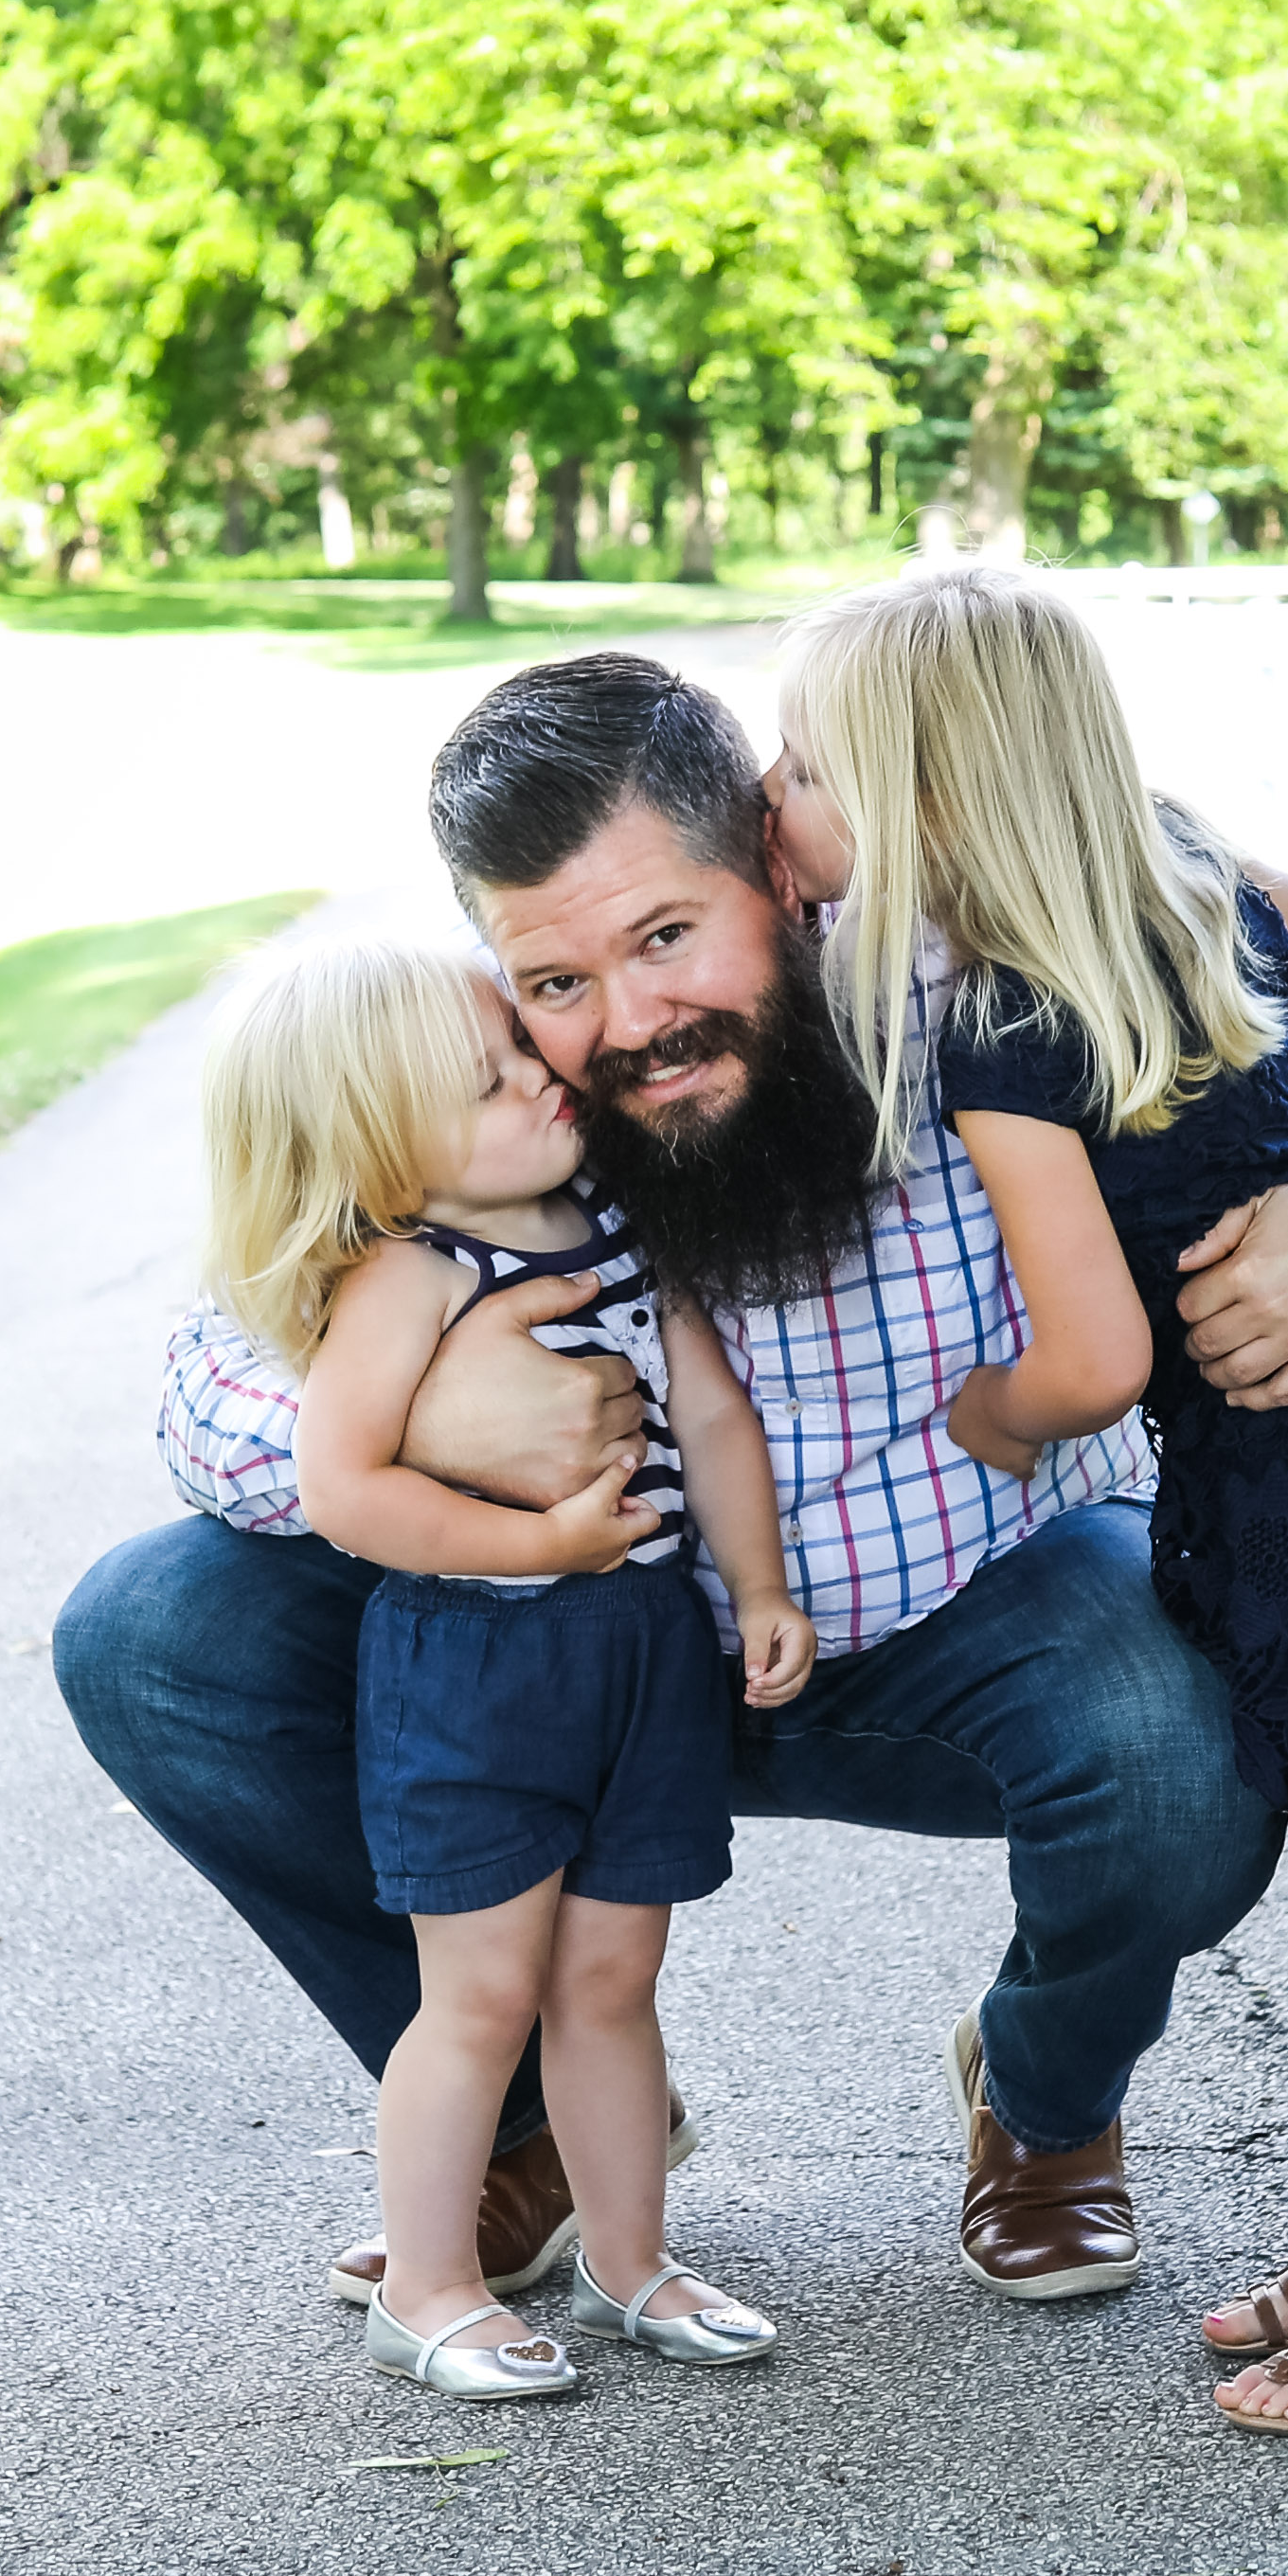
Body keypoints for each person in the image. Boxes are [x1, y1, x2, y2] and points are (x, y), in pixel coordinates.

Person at [52, 646, 1288, 2319]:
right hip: (569, 1630)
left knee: (1173, 1752)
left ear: (772, 853)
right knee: (149, 1633)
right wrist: (430, 1420)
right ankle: (531, 2115)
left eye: (665, 937)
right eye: (552, 977)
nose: (624, 1023)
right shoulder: (491, 1083)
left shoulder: (967, 988)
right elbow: (209, 1370)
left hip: (971, 1600)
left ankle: (1040, 2100)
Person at [763, 562, 1288, 2436]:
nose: (773, 801)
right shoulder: (1180, 875)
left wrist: (996, 1411)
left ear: (922, 806)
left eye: (802, 767)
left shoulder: (997, 1032)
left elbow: (1098, 1355)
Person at [196, 939, 814, 2399]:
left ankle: (628, 2258)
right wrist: (541, 1541)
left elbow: (710, 1410)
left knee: (612, 1974)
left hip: (643, 1650)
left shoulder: (610, 1217)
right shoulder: (409, 1273)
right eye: (489, 1083)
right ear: (377, 1152)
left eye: (519, 1054)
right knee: (476, 1995)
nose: (543, 1080)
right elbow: (342, 1486)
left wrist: (760, 1583)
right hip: (474, 1664)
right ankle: (428, 2286)